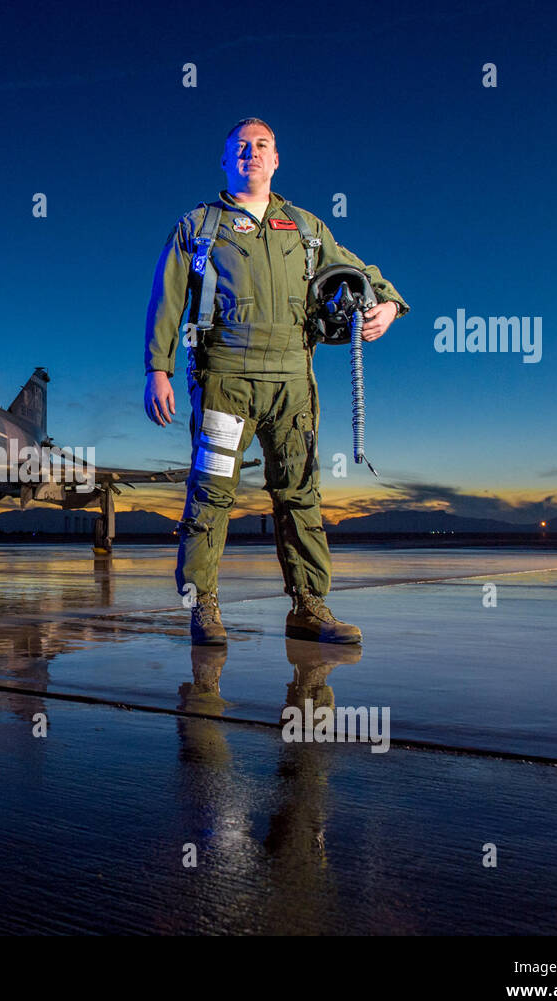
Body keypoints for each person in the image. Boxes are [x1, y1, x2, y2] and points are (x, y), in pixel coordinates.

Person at [144, 117, 408, 645]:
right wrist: (158, 369)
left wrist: (390, 305)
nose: (252, 153)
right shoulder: (198, 225)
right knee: (212, 493)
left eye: (262, 145)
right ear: (225, 160)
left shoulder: (307, 228)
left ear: (276, 158)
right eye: (240, 147)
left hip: (292, 385)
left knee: (299, 495)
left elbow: (358, 271)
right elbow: (167, 297)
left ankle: (309, 607)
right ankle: (203, 609)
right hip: (225, 380)